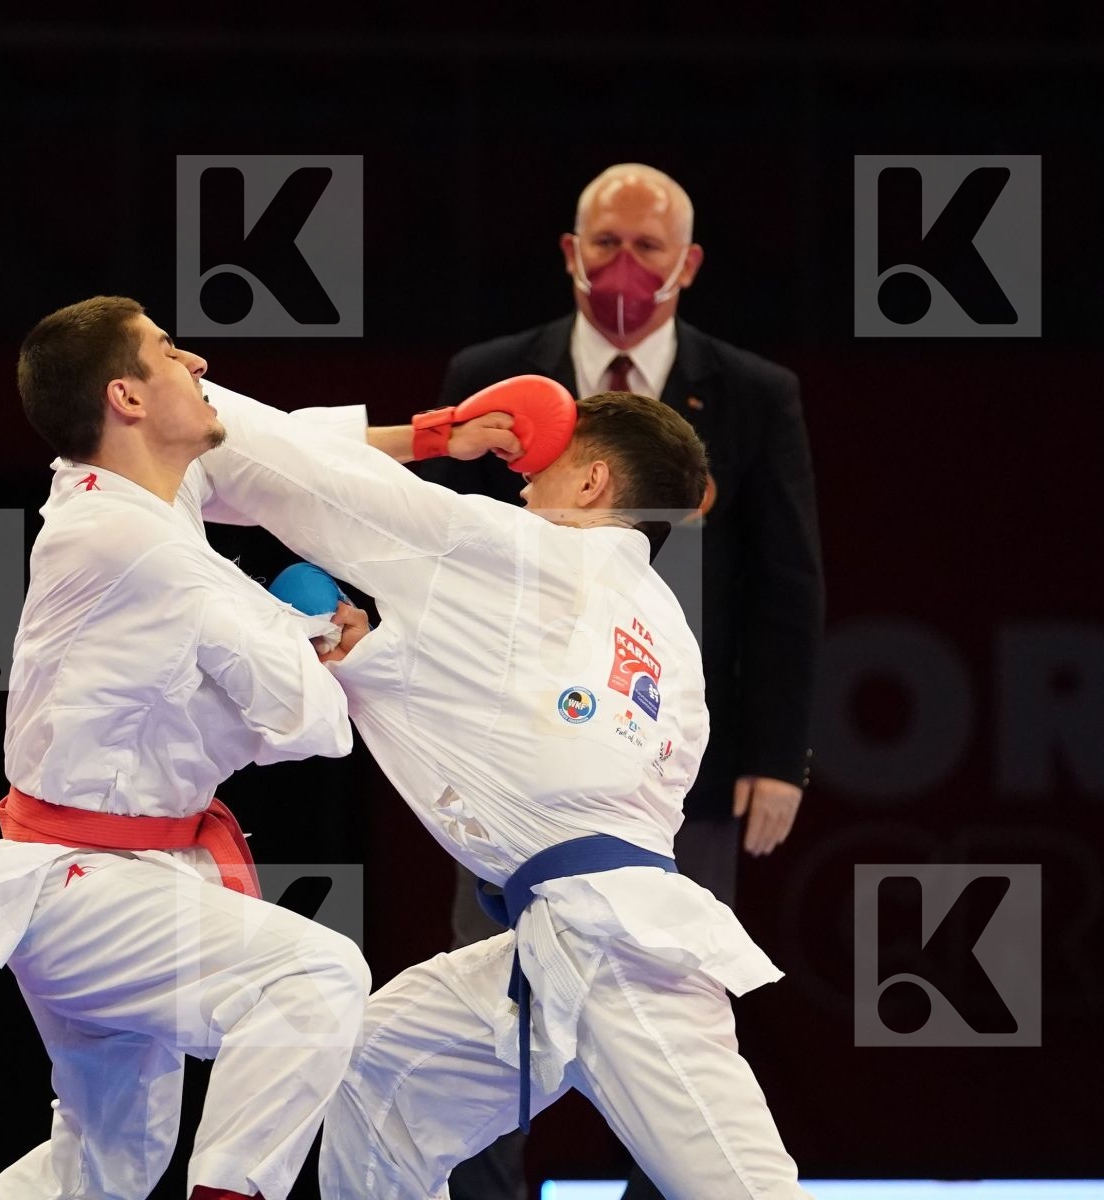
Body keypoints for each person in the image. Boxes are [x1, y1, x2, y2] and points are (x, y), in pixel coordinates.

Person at [189, 377, 810, 1200]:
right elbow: (536, 747)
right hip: (557, 939)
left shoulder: (520, 552)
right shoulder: (667, 635)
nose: (522, 481)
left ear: (592, 484)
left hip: (621, 951)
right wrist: (375, 661)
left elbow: (308, 478)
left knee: (746, 1192)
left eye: (546, 467)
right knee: (374, 1071)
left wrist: (184, 399)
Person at [418, 164, 824, 1200]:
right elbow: (433, 561)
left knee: (674, 1020)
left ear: (687, 265)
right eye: (605, 244)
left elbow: (785, 583)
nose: (625, 267)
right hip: (517, 758)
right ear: (569, 251)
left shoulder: (752, 393)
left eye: (649, 249)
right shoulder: (496, 375)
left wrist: (778, 756)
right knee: (499, 1022)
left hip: (679, 758)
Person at [0, 296, 372, 1200]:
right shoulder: (136, 542)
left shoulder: (122, 499)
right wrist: (321, 638)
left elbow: (284, 456)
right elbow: (315, 726)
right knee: (316, 973)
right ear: (127, 398)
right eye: (172, 351)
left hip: (98, 873)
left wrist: (444, 433)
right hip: (86, 889)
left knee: (106, 1164)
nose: (201, 364)